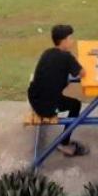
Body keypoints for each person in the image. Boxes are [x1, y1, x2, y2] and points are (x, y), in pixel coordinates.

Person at [28, 24, 88, 157]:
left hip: (34, 97)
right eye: (70, 38)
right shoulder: (67, 57)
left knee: (63, 97)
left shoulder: (47, 52)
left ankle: (64, 140)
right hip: (44, 107)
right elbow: (82, 73)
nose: (72, 41)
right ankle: (64, 143)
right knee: (76, 105)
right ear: (64, 40)